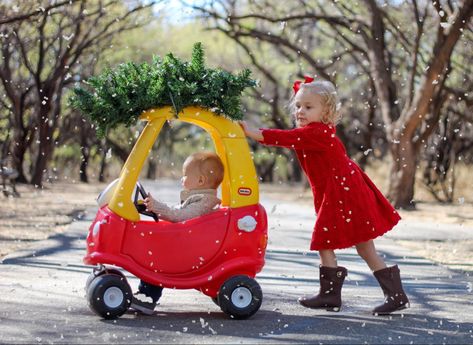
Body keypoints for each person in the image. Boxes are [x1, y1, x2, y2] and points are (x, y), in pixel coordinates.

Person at [240, 77, 409, 315]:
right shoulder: (314, 131)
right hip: (342, 189)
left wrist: (252, 132)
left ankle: (337, 295)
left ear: (326, 111)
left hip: (343, 191)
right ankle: (389, 294)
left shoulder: (316, 133)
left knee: (328, 240)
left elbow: (284, 138)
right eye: (298, 106)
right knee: (361, 247)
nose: (301, 111)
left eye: (309, 107)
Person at [130, 151, 224, 315]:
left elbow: (180, 216)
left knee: (155, 257)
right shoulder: (200, 198)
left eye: (185, 175)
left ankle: (148, 297)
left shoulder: (204, 202)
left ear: (201, 180)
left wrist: (158, 207)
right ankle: (146, 294)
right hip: (190, 243)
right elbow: (177, 211)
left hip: (191, 250)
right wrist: (155, 206)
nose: (182, 179)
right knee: (156, 243)